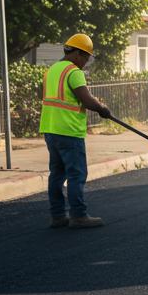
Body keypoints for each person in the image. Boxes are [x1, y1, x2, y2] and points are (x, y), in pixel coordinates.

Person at [40, 33, 112, 229]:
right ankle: (79, 216)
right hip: (69, 131)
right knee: (76, 175)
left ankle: (57, 216)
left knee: (57, 174)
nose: (86, 62)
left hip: (50, 129)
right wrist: (102, 109)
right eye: (86, 57)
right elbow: (86, 100)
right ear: (78, 53)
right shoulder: (73, 72)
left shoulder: (51, 70)